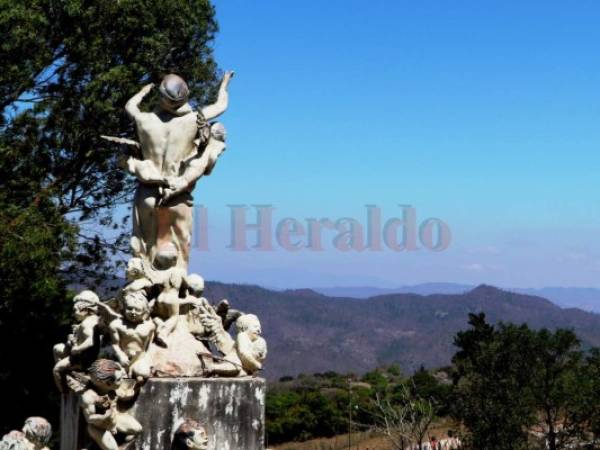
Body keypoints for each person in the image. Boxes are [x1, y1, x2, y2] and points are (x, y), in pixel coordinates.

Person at [124, 71, 234, 270]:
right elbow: (221, 105)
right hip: (178, 194)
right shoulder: (195, 119)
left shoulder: (144, 120)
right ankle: (175, 292)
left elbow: (130, 106)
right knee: (180, 255)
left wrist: (142, 92)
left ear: (162, 98)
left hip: (148, 193)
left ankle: (144, 292)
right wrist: (224, 84)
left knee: (144, 250)